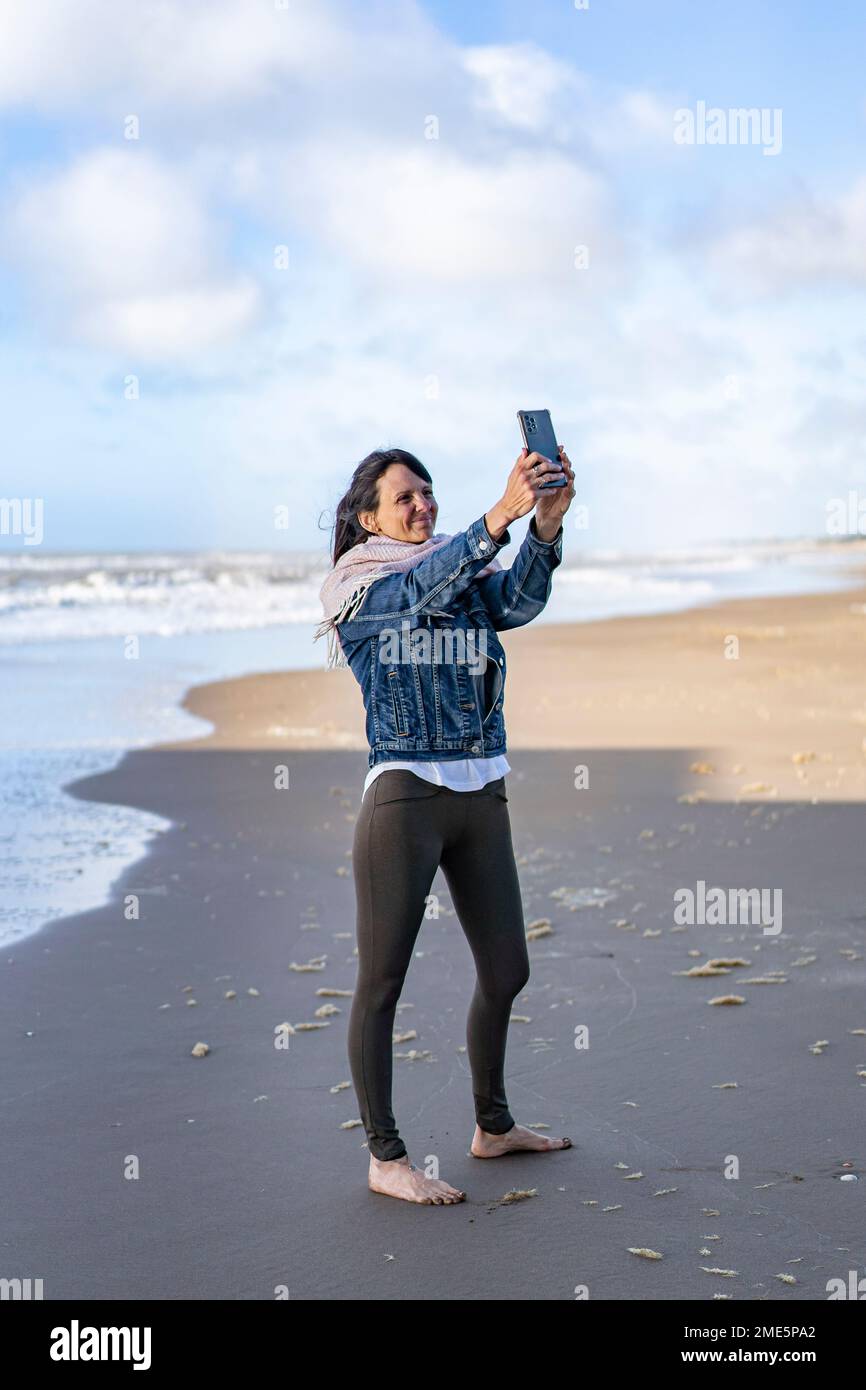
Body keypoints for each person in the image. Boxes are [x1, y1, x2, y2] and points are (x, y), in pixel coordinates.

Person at [315, 442, 575, 1204]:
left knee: (507, 971)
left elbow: (516, 603)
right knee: (383, 982)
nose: (422, 506)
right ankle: (385, 1157)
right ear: (369, 518)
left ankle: (492, 1128)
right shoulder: (356, 586)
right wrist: (497, 517)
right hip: (406, 796)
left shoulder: (455, 565)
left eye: (427, 493)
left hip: (481, 789)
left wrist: (547, 528)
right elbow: (420, 596)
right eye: (405, 498)